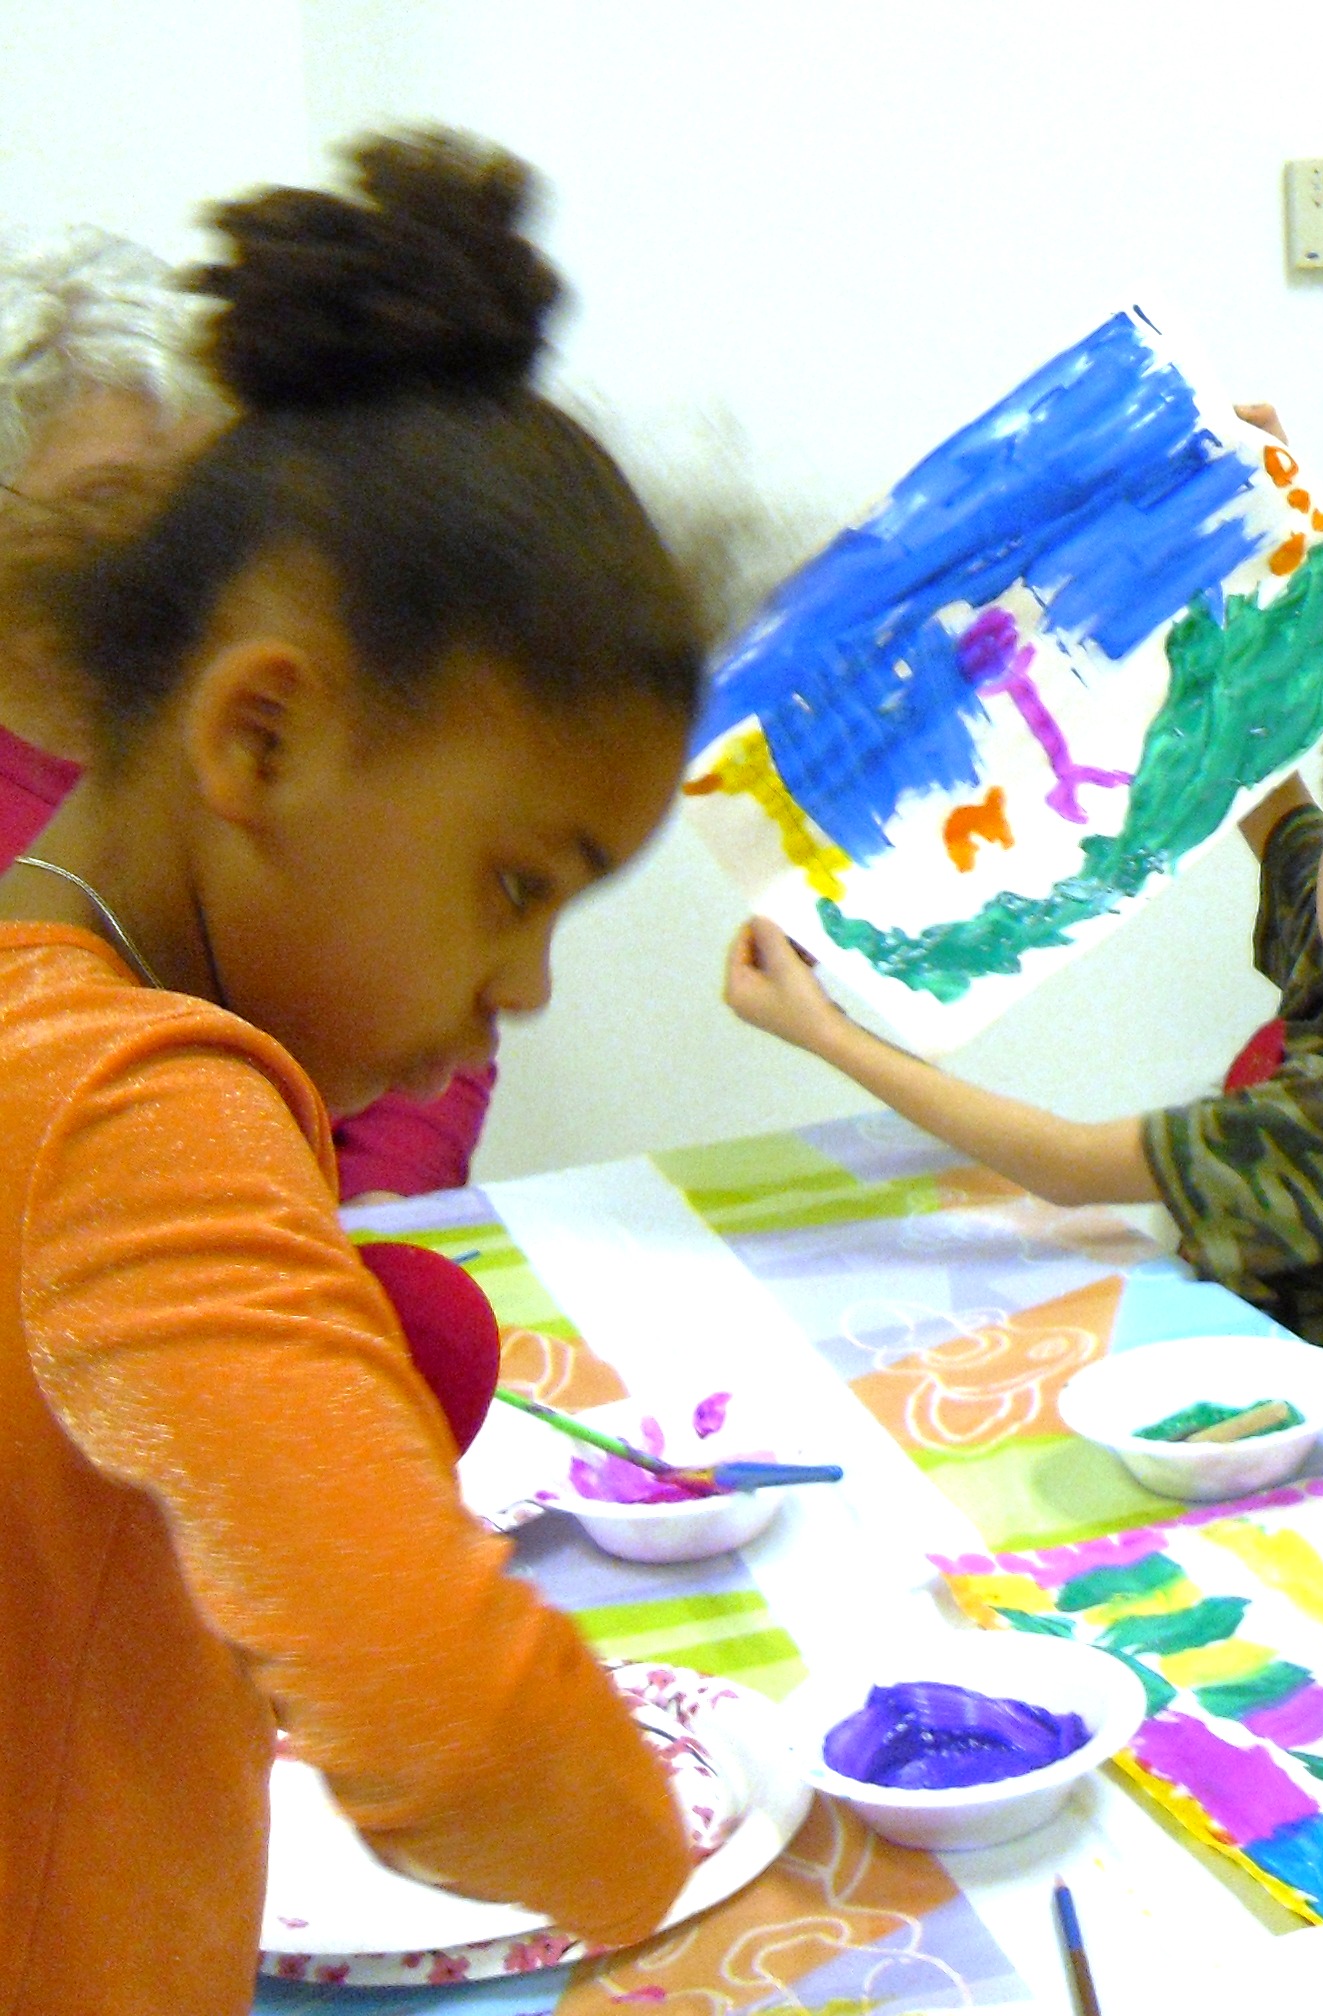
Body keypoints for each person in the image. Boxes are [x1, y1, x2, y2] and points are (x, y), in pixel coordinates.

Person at [0, 132, 704, 2013]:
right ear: (264, 730)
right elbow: (451, 1728)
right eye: (514, 882)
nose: (532, 984)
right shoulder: (138, 1099)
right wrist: (654, 1862)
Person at [726, 658, 1323, 1432]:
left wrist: (825, 1033)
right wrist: (1203, 626)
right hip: (1240, 1357)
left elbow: (1067, 1167)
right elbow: (1268, 798)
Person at [0, 226, 494, 1200]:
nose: (157, 544)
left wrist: (381, 1199)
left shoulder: (278, 711)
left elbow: (425, 975)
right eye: (104, 496)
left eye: (192, 498)